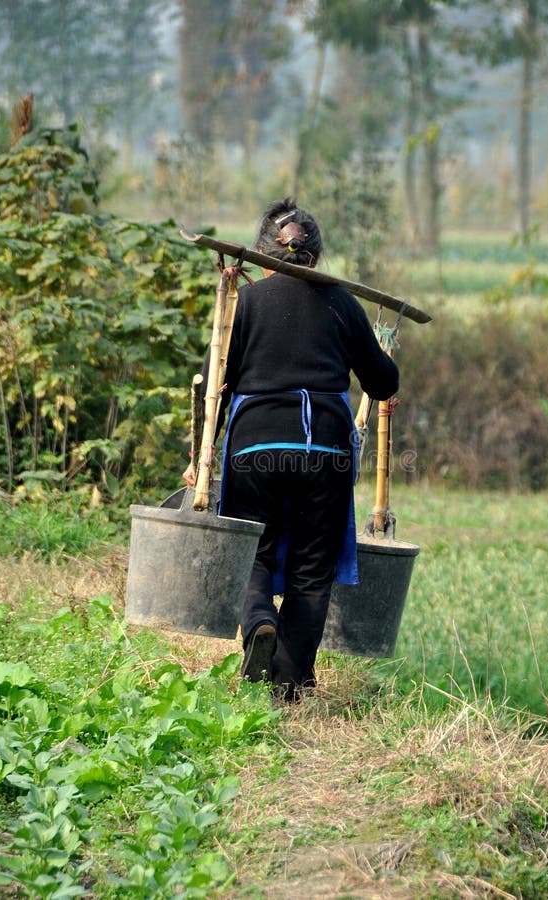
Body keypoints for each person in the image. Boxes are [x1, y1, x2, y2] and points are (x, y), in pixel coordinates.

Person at [184, 198, 398, 701]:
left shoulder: (248, 304)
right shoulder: (341, 302)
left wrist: (201, 455)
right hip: (324, 446)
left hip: (256, 442)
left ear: (264, 254)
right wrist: (381, 351)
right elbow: (383, 383)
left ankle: (259, 623)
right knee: (311, 567)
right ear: (316, 256)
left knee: (253, 553)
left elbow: (219, 384)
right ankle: (288, 684)